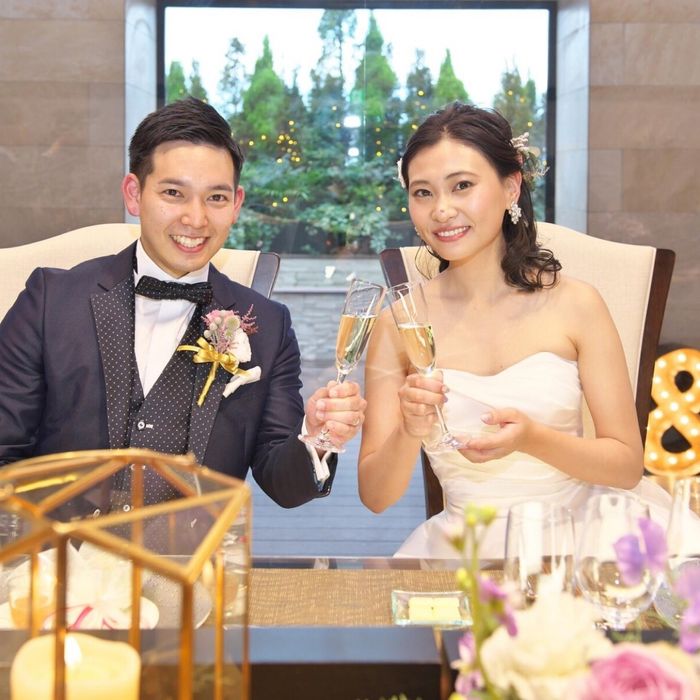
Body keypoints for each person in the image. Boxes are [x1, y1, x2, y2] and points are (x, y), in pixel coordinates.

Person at [0, 97, 365, 508]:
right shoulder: (50, 301)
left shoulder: (269, 326)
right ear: (134, 194)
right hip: (56, 544)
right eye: (173, 193)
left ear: (236, 204)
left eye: (216, 198)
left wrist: (317, 437)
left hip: (194, 548)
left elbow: (284, 485)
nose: (195, 219)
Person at [358, 102, 672, 558]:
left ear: (511, 186)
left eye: (462, 186)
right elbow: (375, 496)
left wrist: (532, 438)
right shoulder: (398, 325)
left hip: (584, 542)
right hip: (464, 549)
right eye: (422, 193)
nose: (442, 210)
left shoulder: (577, 304)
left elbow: (625, 466)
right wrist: (408, 430)